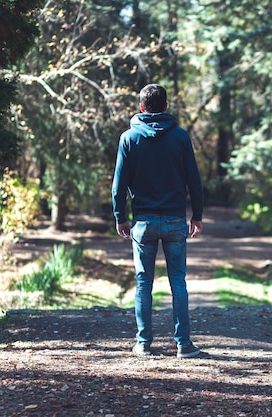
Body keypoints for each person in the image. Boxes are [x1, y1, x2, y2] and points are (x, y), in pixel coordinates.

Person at [112, 84, 204, 358]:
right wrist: (196, 215)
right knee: (178, 282)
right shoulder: (180, 137)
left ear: (142, 107)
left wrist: (120, 217)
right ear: (165, 106)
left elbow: (119, 185)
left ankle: (143, 343)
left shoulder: (128, 139)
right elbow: (194, 180)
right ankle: (183, 344)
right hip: (175, 220)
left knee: (143, 283)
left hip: (143, 223)